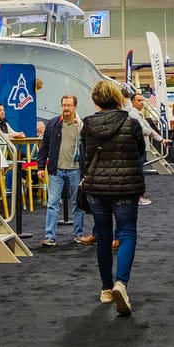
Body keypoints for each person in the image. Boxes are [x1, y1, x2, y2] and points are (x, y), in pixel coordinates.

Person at [79, 79, 147, 315]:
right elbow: (140, 153)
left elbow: (84, 157)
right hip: (126, 187)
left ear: (95, 99)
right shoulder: (131, 123)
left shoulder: (87, 125)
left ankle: (106, 289)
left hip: (97, 189)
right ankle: (121, 283)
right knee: (127, 233)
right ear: (118, 98)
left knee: (103, 235)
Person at [38, 93, 86, 247]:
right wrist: (40, 167)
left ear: (75, 107)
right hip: (56, 169)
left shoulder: (82, 126)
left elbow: (87, 148)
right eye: (64, 105)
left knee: (78, 204)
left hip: (76, 170)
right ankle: (49, 236)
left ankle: (79, 234)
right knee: (52, 204)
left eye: (69, 105)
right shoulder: (53, 124)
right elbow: (44, 147)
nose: (66, 108)